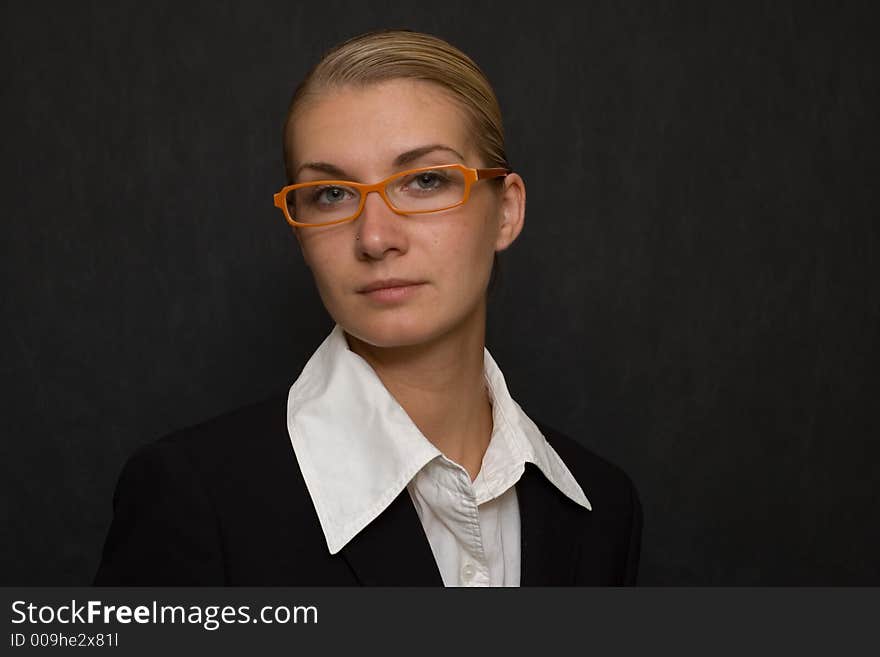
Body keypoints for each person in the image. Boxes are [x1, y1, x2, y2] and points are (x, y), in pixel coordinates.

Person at [94, 29, 642, 586]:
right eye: (331, 194)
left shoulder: (601, 506)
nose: (375, 238)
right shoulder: (192, 498)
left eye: (425, 181)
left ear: (505, 211)